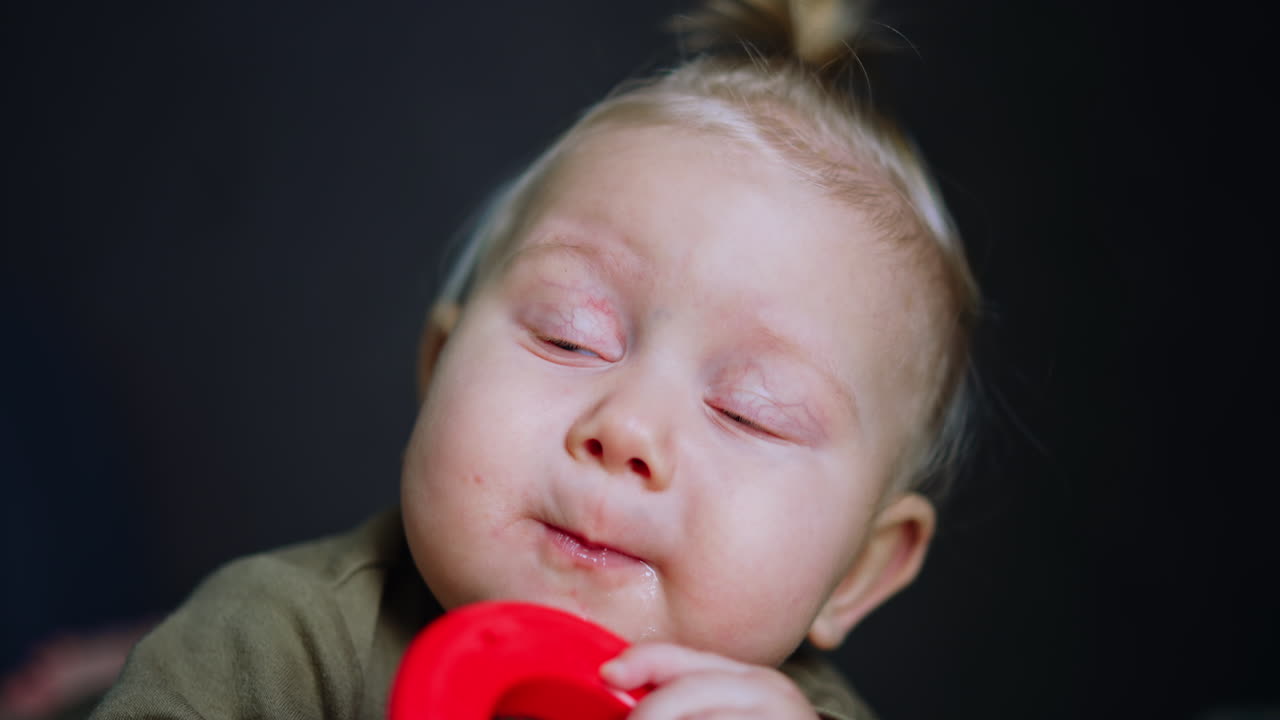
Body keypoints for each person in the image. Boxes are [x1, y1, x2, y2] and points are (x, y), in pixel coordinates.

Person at [90, 0, 980, 718]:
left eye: (749, 408)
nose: (626, 428)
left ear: (860, 570)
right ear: (439, 371)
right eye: (570, 336)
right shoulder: (273, 645)